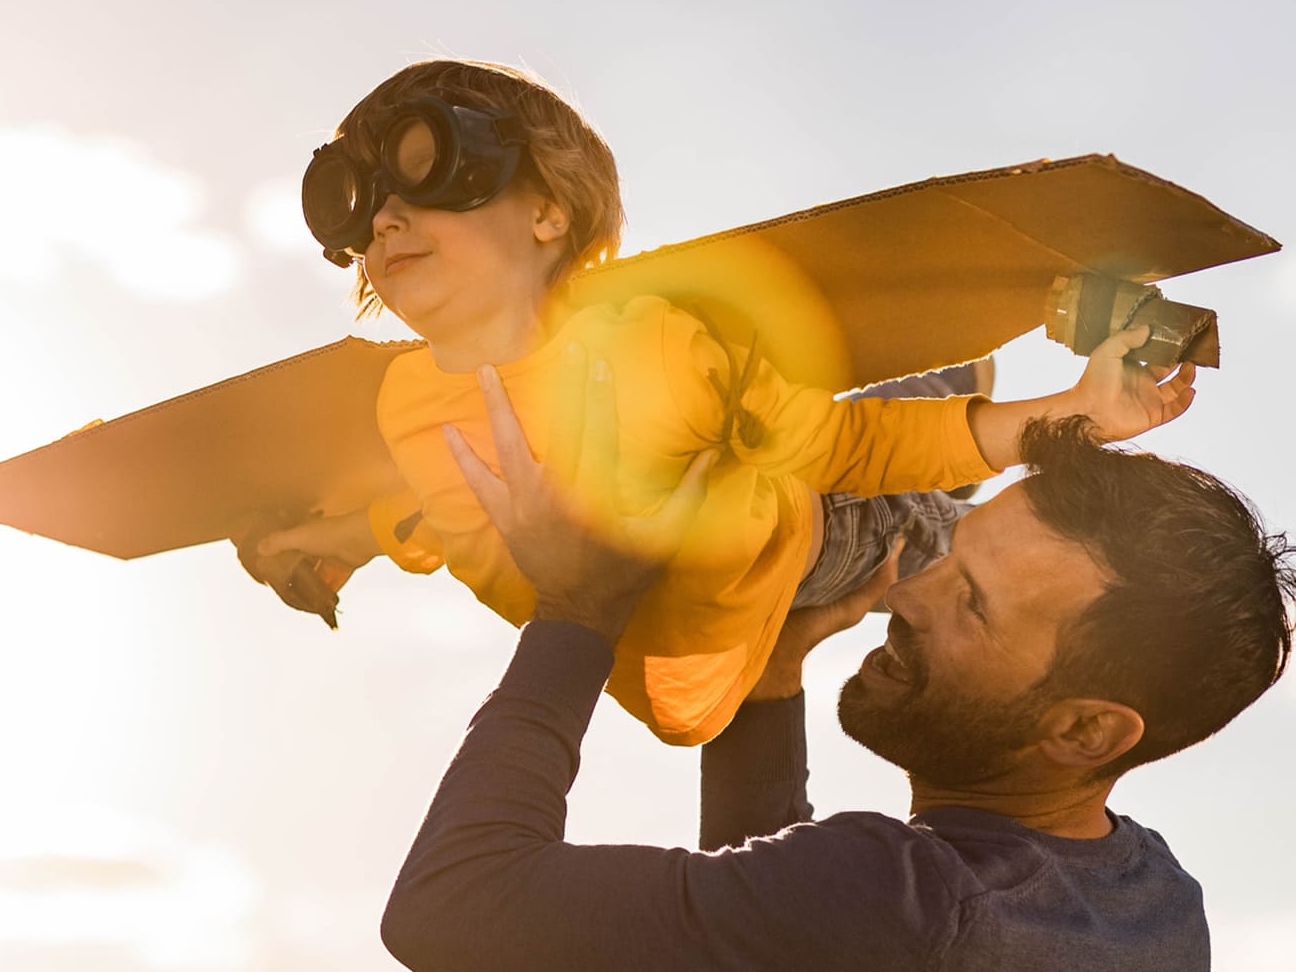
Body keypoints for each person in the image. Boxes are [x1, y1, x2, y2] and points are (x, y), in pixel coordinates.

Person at [379, 356, 1294, 972]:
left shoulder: (905, 915)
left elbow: (451, 907)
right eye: (950, 552)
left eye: (972, 603)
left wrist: (575, 610)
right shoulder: (1158, 915)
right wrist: (770, 680)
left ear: (1089, 732)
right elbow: (794, 959)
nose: (905, 587)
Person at [245, 58, 1195, 743]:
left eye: (420, 171)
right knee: (930, 531)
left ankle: (971, 380)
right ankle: (961, 389)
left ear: (547, 211)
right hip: (780, 580)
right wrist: (374, 542)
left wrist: (1075, 414)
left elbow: (849, 449)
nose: (383, 221)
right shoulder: (412, 407)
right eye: (356, 204)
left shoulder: (655, 344)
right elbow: (477, 548)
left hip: (806, 517)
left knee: (928, 504)